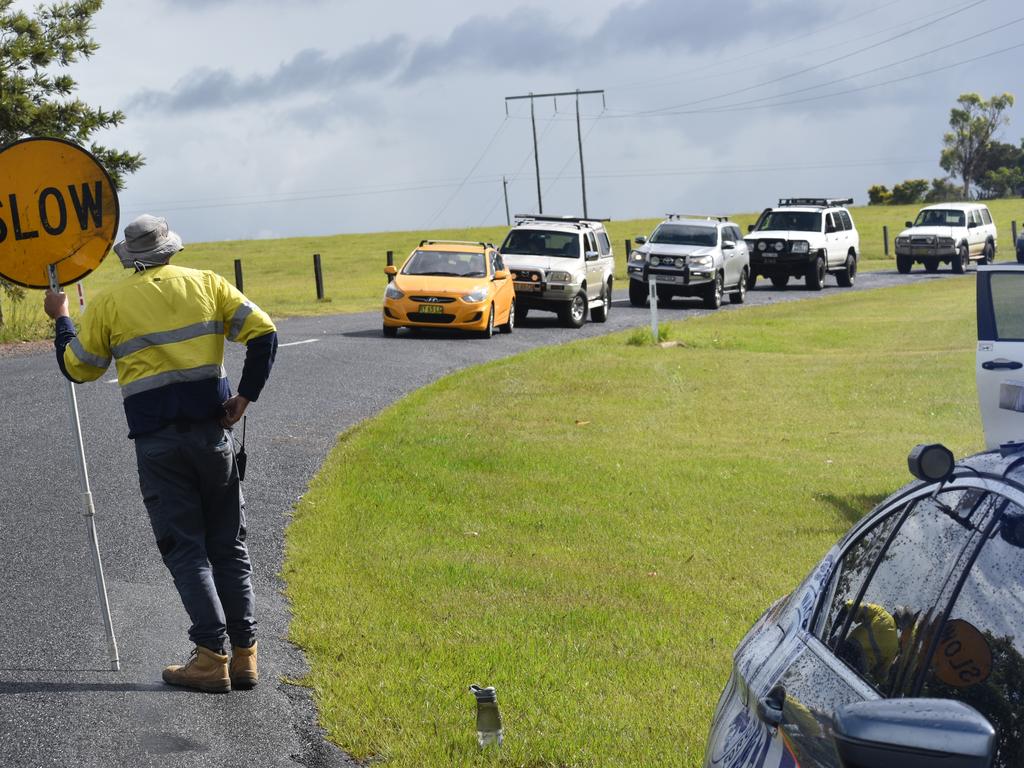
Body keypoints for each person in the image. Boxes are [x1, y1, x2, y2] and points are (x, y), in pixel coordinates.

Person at [43, 214, 278, 694]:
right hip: (214, 436)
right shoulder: (208, 284)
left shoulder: (112, 303)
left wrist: (61, 318)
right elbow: (265, 333)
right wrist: (244, 397)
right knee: (228, 545)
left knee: (185, 548)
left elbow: (79, 369)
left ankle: (209, 656)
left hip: (158, 446)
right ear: (170, 249)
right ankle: (244, 656)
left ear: (131, 259)